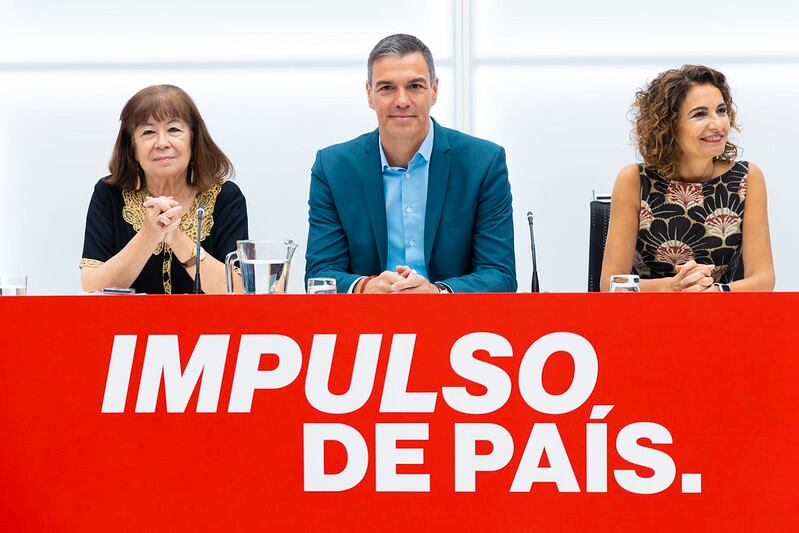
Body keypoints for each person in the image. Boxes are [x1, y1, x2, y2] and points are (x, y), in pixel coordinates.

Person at [305, 34, 516, 293]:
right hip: (365, 325)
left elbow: (500, 274)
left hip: (454, 326)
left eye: (415, 86)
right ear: (369, 94)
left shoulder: (483, 163)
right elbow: (319, 275)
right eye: (387, 88)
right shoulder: (333, 168)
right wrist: (364, 287)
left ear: (434, 91)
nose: (402, 101)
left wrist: (438, 293)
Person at [601, 65, 774, 292]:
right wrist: (673, 287)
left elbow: (763, 279)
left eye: (721, 110)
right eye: (700, 114)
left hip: (719, 316)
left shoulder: (747, 178)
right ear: (668, 126)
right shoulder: (634, 180)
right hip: (646, 318)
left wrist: (718, 292)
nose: (718, 124)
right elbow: (611, 284)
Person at [80, 85, 248, 294]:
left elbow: (239, 292)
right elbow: (92, 288)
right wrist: (149, 235)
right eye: (148, 132)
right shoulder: (109, 194)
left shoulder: (225, 197)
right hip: (127, 327)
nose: (162, 143)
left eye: (174, 130)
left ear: (194, 140)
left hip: (206, 327)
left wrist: (175, 237)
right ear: (132, 147)